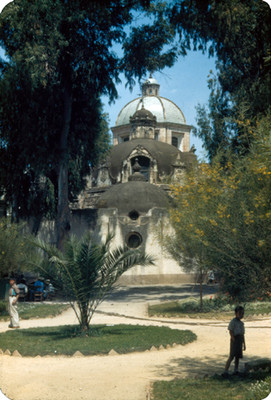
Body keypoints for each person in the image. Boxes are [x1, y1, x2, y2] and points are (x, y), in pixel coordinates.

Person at [222, 306, 246, 377]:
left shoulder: (241, 324)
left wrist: (244, 344)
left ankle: (236, 370)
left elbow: (242, 334)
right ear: (236, 313)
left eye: (242, 313)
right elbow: (230, 330)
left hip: (240, 339)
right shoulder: (233, 322)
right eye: (240, 313)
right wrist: (233, 338)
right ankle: (225, 371)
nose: (241, 315)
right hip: (234, 340)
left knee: (237, 356)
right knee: (232, 356)